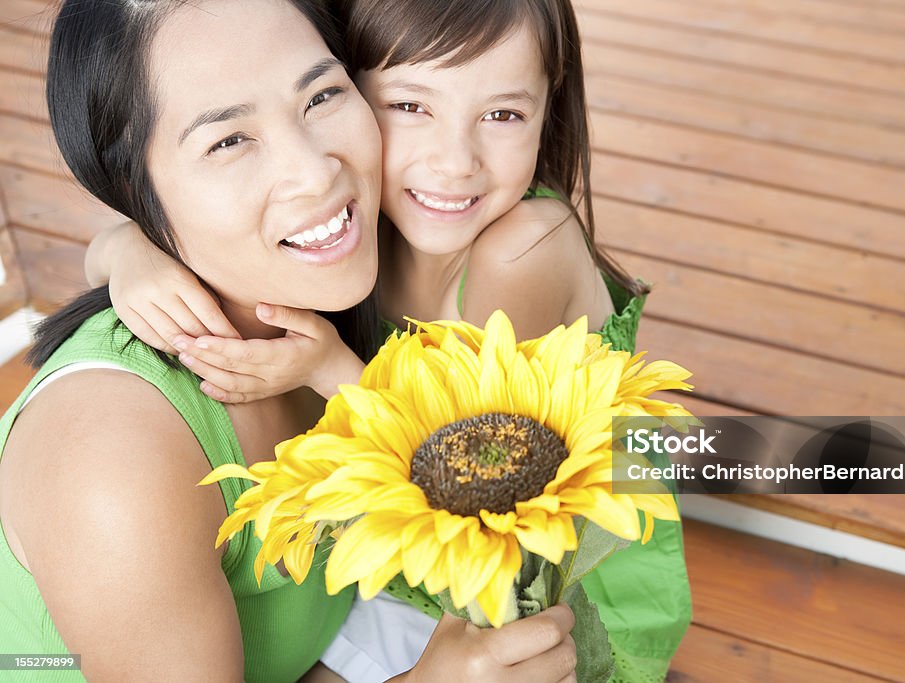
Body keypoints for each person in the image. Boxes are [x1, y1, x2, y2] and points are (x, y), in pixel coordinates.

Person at [0, 1, 577, 681]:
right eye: (228, 140)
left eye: (324, 94)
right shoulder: (112, 460)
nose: (316, 172)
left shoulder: (356, 271)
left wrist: (128, 243)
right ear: (130, 182)